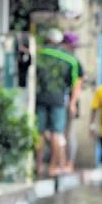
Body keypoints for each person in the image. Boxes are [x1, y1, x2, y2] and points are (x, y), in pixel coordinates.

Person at [35, 28, 82, 178]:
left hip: (40, 97)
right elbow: (76, 84)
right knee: (57, 133)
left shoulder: (39, 53)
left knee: (39, 132)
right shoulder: (71, 60)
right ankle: (52, 167)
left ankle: (37, 166)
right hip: (58, 100)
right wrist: (73, 103)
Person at [60, 32, 85, 173]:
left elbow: (78, 84)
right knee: (59, 133)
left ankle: (69, 163)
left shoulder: (74, 62)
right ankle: (62, 161)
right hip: (58, 100)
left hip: (69, 102)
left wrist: (72, 103)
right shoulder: (60, 59)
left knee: (68, 133)